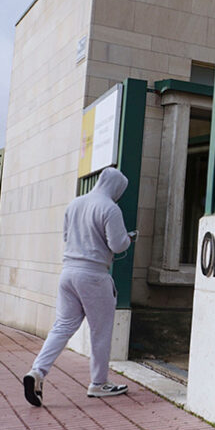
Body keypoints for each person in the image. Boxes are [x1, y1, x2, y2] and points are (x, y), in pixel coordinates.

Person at [23, 166, 136, 406]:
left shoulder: (74, 204)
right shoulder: (110, 208)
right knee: (100, 331)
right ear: (116, 187)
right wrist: (129, 238)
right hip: (94, 275)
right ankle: (99, 382)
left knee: (61, 327)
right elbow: (117, 245)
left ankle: (37, 371)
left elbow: (66, 237)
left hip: (68, 273)